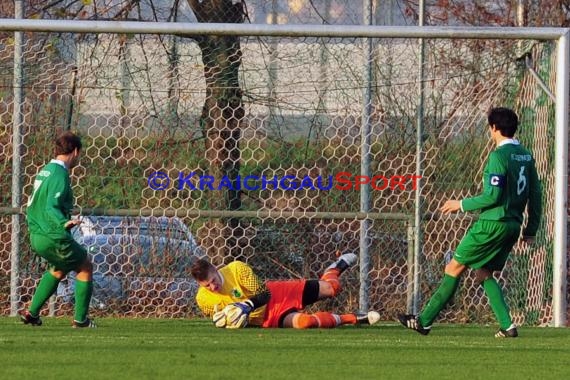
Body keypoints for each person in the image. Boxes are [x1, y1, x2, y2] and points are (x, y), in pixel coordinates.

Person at [398, 107, 542, 338]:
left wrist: (460, 204)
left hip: (491, 225)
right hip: (513, 226)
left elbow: (492, 196)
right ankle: (507, 326)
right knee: (484, 272)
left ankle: (423, 322)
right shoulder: (525, 155)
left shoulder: (498, 156)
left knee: (453, 267)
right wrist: (531, 229)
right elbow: (536, 194)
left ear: (494, 128)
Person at [21, 131, 96, 328]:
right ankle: (81, 321)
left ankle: (32, 314)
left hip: (37, 235)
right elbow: (50, 206)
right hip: (53, 234)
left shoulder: (45, 170)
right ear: (76, 151)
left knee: (59, 268)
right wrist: (63, 222)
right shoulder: (59, 175)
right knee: (85, 266)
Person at [190, 252, 380, 329]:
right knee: (305, 323)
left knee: (332, 289)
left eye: (213, 281)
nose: (213, 287)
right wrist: (225, 321)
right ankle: (352, 318)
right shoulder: (203, 298)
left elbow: (265, 294)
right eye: (207, 286)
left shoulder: (236, 269)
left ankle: (333, 269)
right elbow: (221, 319)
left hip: (277, 295)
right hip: (267, 318)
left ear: (215, 269)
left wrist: (246, 305)